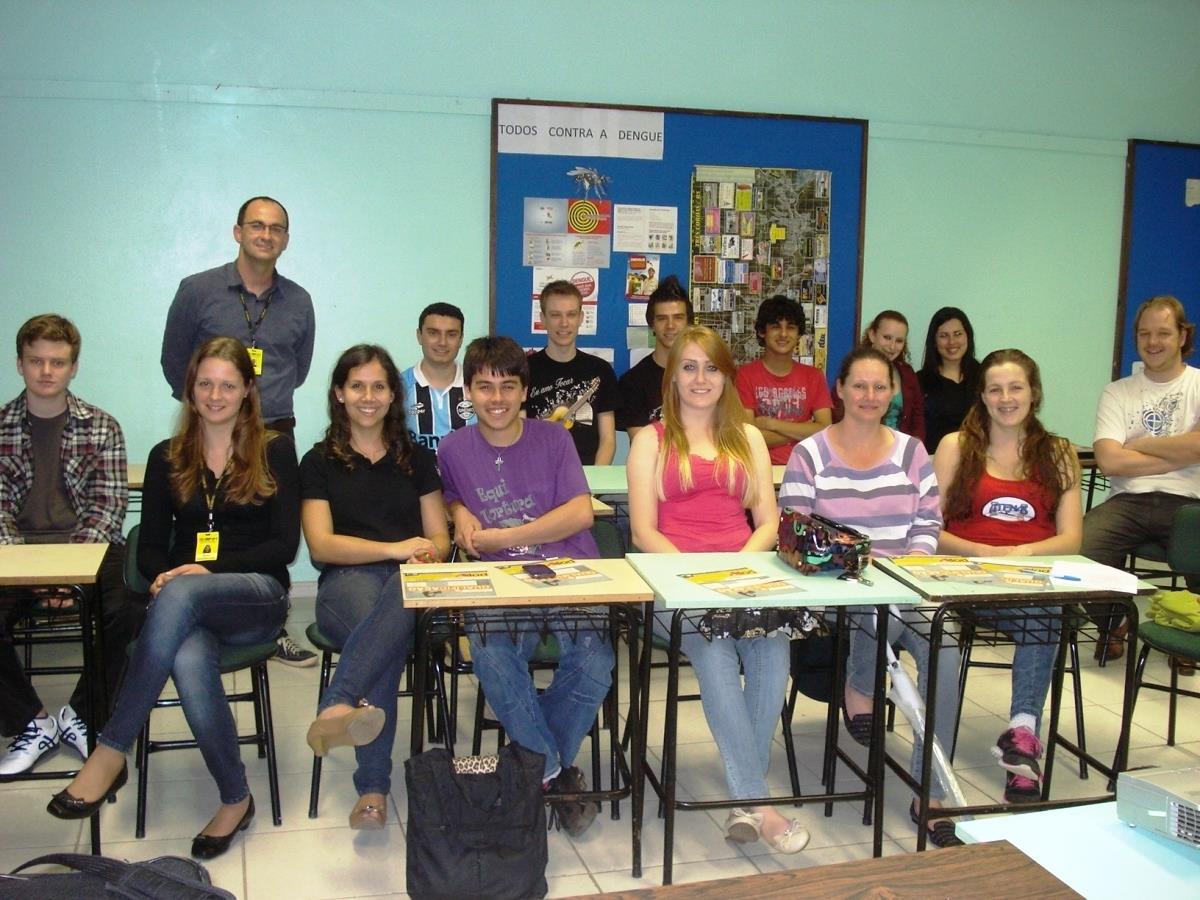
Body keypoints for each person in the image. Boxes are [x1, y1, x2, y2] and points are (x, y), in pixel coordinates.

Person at [48, 337, 300, 862]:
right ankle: (236, 798)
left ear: (247, 390)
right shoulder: (167, 457)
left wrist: (197, 573)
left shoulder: (275, 449)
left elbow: (283, 546)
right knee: (186, 657)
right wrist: (169, 578)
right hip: (185, 607)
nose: (215, 394)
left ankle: (111, 748)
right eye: (205, 383)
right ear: (190, 389)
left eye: (228, 384)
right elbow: (150, 552)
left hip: (256, 595)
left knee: (182, 592)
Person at [627, 325, 810, 854]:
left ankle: (742, 801)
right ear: (673, 375)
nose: (700, 378)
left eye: (711, 367)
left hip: (745, 578)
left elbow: (768, 523)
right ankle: (761, 803)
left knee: (774, 655)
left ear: (726, 375)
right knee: (714, 656)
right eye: (689, 366)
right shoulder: (650, 440)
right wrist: (699, 581)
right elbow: (643, 532)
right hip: (674, 583)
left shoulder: (748, 438)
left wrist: (737, 573)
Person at [778, 346, 960, 847]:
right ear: (839, 389)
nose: (870, 395)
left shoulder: (912, 451)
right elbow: (796, 532)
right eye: (859, 385)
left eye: (881, 387)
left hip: (905, 583)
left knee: (948, 648)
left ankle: (932, 788)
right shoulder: (809, 453)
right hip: (837, 586)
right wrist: (864, 566)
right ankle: (860, 684)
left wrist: (910, 565)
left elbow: (928, 521)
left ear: (893, 393)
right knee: (870, 602)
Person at [437, 336, 612, 837]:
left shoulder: (554, 440)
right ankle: (555, 772)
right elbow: (449, 496)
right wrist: (459, 511)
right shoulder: (453, 449)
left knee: (597, 658)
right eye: (485, 387)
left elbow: (580, 512)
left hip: (568, 568)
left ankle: (531, 766)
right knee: (490, 652)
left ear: (524, 391)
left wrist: (506, 536)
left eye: (508, 387)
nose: (496, 399)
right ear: (468, 390)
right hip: (498, 579)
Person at [300, 344, 451, 830]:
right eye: (357, 385)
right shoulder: (318, 461)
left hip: (413, 583)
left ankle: (339, 702)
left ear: (393, 395)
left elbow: (440, 538)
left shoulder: (418, 458)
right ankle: (373, 787)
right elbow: (322, 546)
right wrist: (393, 550)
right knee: (384, 627)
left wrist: (425, 552)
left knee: (391, 618)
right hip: (347, 583)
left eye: (379, 386)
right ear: (339, 394)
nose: (369, 396)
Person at [160, 196, 315, 667]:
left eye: (276, 229)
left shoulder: (299, 301)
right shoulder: (197, 290)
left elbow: (299, 368)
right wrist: (213, 409)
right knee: (213, 523)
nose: (266, 235)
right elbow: (174, 362)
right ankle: (209, 609)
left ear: (285, 239)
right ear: (237, 232)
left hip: (272, 433)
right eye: (256, 226)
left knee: (270, 533)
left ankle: (272, 623)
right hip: (210, 431)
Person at [933, 349, 1082, 802]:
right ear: (981, 395)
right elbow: (929, 530)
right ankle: (1024, 745)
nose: (1005, 397)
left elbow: (1072, 538)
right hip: (967, 580)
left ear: (1033, 393)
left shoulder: (1059, 453)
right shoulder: (954, 447)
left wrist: (1020, 553)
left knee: (1046, 613)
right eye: (995, 388)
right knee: (1045, 615)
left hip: (1029, 583)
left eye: (1015, 387)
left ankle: (1021, 736)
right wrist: (979, 552)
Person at [0, 314, 141, 775]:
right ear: (19, 363)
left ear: (73, 367)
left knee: (132, 610)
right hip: (16, 551)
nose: (46, 371)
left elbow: (107, 510)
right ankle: (31, 721)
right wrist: (33, 572)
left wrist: (70, 572)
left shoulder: (103, 427)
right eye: (36, 360)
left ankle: (80, 714)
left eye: (57, 362)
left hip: (90, 549)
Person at [1083, 295, 1200, 661]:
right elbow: (1110, 460)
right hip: (1128, 501)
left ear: (1182, 336)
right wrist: (1178, 453)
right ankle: (1114, 623)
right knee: (1080, 549)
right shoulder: (1118, 392)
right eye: (1145, 333)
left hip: (1189, 503)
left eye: (1163, 333)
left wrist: (1145, 444)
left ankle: (1187, 629)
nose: (1153, 342)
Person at [525, 280, 620, 465]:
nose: (564, 323)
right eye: (555, 315)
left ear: (581, 318)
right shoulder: (524, 370)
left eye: (571, 314)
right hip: (537, 479)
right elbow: (519, 437)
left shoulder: (601, 370)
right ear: (543, 319)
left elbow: (608, 441)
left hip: (587, 478)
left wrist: (594, 484)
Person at [736, 294, 832, 465]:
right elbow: (746, 437)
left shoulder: (814, 376)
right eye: (775, 326)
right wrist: (803, 429)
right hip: (761, 471)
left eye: (791, 327)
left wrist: (770, 424)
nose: (783, 334)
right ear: (762, 332)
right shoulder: (744, 376)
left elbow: (825, 431)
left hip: (806, 471)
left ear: (798, 334)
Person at [616, 274, 693, 438]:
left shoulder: (705, 376)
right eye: (662, 318)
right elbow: (641, 445)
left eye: (678, 318)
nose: (670, 326)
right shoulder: (633, 383)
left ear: (689, 323)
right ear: (652, 325)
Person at [832, 310, 925, 442]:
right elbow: (838, 413)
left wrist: (915, 445)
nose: (892, 346)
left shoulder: (907, 373)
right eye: (887, 338)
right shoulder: (853, 369)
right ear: (872, 335)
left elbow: (918, 414)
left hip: (901, 451)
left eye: (899, 341)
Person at [400, 302, 475, 450]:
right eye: (433, 333)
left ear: (461, 339)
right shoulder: (398, 387)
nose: (442, 342)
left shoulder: (478, 385)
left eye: (451, 334)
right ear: (419, 336)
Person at [918, 306, 980, 454]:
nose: (952, 342)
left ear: (967, 336)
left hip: (978, 462)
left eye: (957, 334)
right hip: (933, 463)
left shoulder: (984, 376)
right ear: (934, 341)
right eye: (944, 335)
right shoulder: (920, 381)